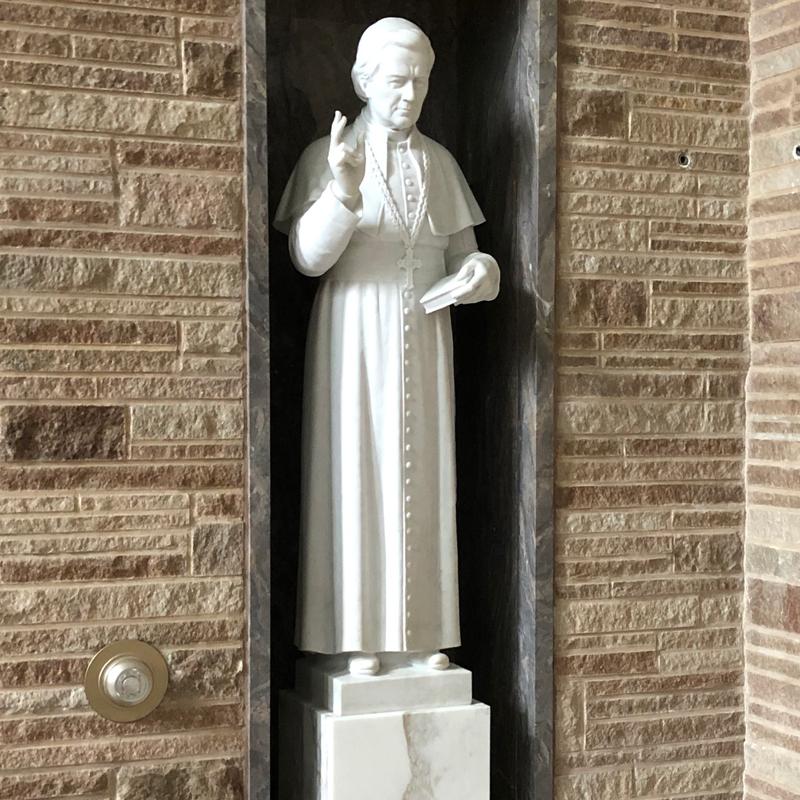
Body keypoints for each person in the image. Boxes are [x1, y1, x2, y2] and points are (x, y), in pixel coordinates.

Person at [275, 17, 500, 676]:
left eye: (421, 82)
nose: (410, 94)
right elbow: (308, 258)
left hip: (427, 337)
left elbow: (469, 257)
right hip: (353, 334)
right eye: (398, 81)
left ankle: (422, 634)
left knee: (425, 479)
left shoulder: (440, 163)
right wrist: (343, 191)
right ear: (364, 81)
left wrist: (479, 275)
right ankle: (354, 637)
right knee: (355, 478)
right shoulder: (326, 154)